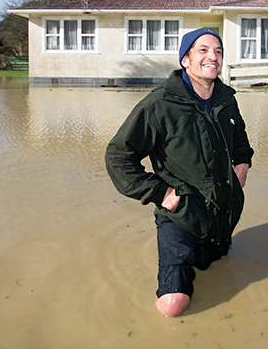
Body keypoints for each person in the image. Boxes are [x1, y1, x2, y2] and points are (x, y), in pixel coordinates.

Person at [105, 28, 254, 317]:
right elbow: (118, 158)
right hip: (180, 215)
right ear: (185, 60)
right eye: (203, 50)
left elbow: (240, 139)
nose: (213, 56)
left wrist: (243, 164)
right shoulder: (159, 104)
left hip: (222, 215)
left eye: (218, 51)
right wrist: (161, 193)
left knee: (221, 269)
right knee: (173, 306)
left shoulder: (226, 98)